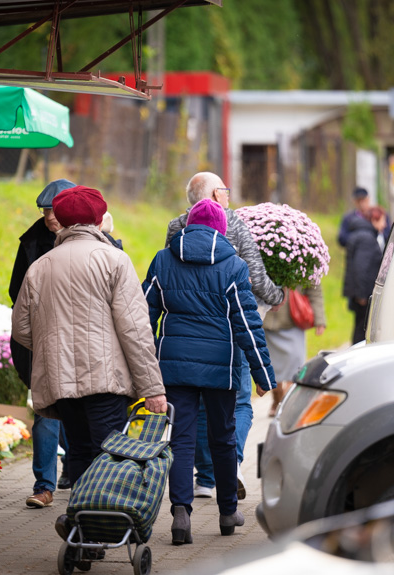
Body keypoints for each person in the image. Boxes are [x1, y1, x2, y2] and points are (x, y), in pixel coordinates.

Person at [10, 185, 168, 537]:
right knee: (109, 455)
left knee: (79, 452)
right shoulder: (114, 259)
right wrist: (153, 389)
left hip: (60, 382)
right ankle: (101, 530)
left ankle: (80, 527)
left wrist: (53, 345)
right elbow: (135, 330)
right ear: (98, 219)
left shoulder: (40, 266)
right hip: (105, 380)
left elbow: (20, 328)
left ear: (62, 219)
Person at [145, 198, 276, 544]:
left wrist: (142, 369)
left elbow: (144, 315)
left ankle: (180, 514)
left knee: (181, 439)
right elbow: (248, 325)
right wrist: (263, 376)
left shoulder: (163, 259)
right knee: (222, 437)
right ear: (221, 228)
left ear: (188, 225)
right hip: (222, 369)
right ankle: (227, 511)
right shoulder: (233, 266)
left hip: (174, 367)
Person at [165, 171, 283, 500]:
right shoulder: (234, 223)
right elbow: (256, 277)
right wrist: (278, 296)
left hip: (182, 340)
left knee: (194, 415)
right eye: (226, 189)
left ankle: (202, 483)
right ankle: (229, 468)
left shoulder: (176, 227)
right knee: (240, 403)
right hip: (228, 333)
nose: (229, 195)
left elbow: (168, 280)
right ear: (216, 194)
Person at [8, 178, 76, 509]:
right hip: (45, 339)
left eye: (54, 209)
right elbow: (15, 292)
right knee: (47, 412)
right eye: (45, 210)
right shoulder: (32, 242)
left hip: (82, 341)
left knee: (76, 412)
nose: (49, 216)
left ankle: (77, 474)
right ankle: (44, 486)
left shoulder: (97, 241)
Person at [263, 286, 327, 417]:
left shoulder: (305, 264)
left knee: (295, 367)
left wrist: (319, 319)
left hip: (294, 319)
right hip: (268, 319)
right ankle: (277, 399)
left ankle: (288, 405)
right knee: (272, 367)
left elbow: (314, 288)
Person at [343, 205, 387, 344]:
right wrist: (362, 295)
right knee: (362, 329)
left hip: (359, 291)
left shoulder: (362, 234)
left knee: (359, 327)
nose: (385, 224)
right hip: (363, 294)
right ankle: (356, 360)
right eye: (382, 220)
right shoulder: (367, 238)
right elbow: (361, 267)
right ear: (374, 219)